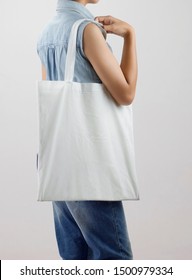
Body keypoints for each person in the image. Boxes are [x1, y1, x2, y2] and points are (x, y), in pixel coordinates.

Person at [37, 0, 138, 260]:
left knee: (75, 258)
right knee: (114, 259)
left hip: (58, 159)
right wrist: (129, 35)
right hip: (88, 163)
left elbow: (52, 99)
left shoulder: (48, 30)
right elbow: (125, 94)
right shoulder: (86, 30)